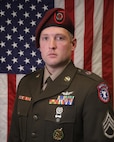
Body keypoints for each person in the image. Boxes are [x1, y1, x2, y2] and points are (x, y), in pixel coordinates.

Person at [8, 8, 114, 142]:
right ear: (39, 45)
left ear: (73, 44)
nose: (51, 45)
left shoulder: (91, 88)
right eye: (45, 38)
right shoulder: (26, 83)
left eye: (60, 38)